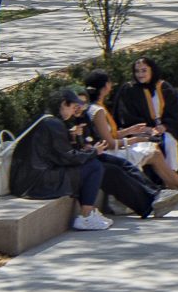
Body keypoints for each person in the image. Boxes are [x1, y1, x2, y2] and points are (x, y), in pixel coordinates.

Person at [109, 56, 178, 203]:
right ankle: (175, 186)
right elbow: (125, 116)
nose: (140, 74)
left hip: (163, 129)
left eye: (144, 70)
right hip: (141, 131)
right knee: (156, 145)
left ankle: (173, 185)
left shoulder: (164, 87)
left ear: (152, 70)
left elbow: (177, 112)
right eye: (137, 71)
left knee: (169, 142)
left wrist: (165, 126)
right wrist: (147, 129)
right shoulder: (129, 90)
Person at [14, 87, 115, 231]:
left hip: (24, 178)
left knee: (87, 166)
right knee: (94, 166)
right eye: (73, 107)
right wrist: (94, 152)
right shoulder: (54, 123)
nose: (75, 111)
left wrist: (71, 136)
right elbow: (67, 157)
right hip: (37, 182)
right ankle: (86, 216)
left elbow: (53, 150)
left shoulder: (43, 118)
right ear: (63, 104)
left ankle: (89, 213)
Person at [80, 69, 178, 197]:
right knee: (154, 153)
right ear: (105, 86)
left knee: (154, 151)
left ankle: (176, 188)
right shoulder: (97, 111)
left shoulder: (98, 107)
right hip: (111, 154)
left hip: (112, 150)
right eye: (109, 82)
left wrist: (130, 131)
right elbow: (109, 143)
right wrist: (136, 140)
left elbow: (111, 134)